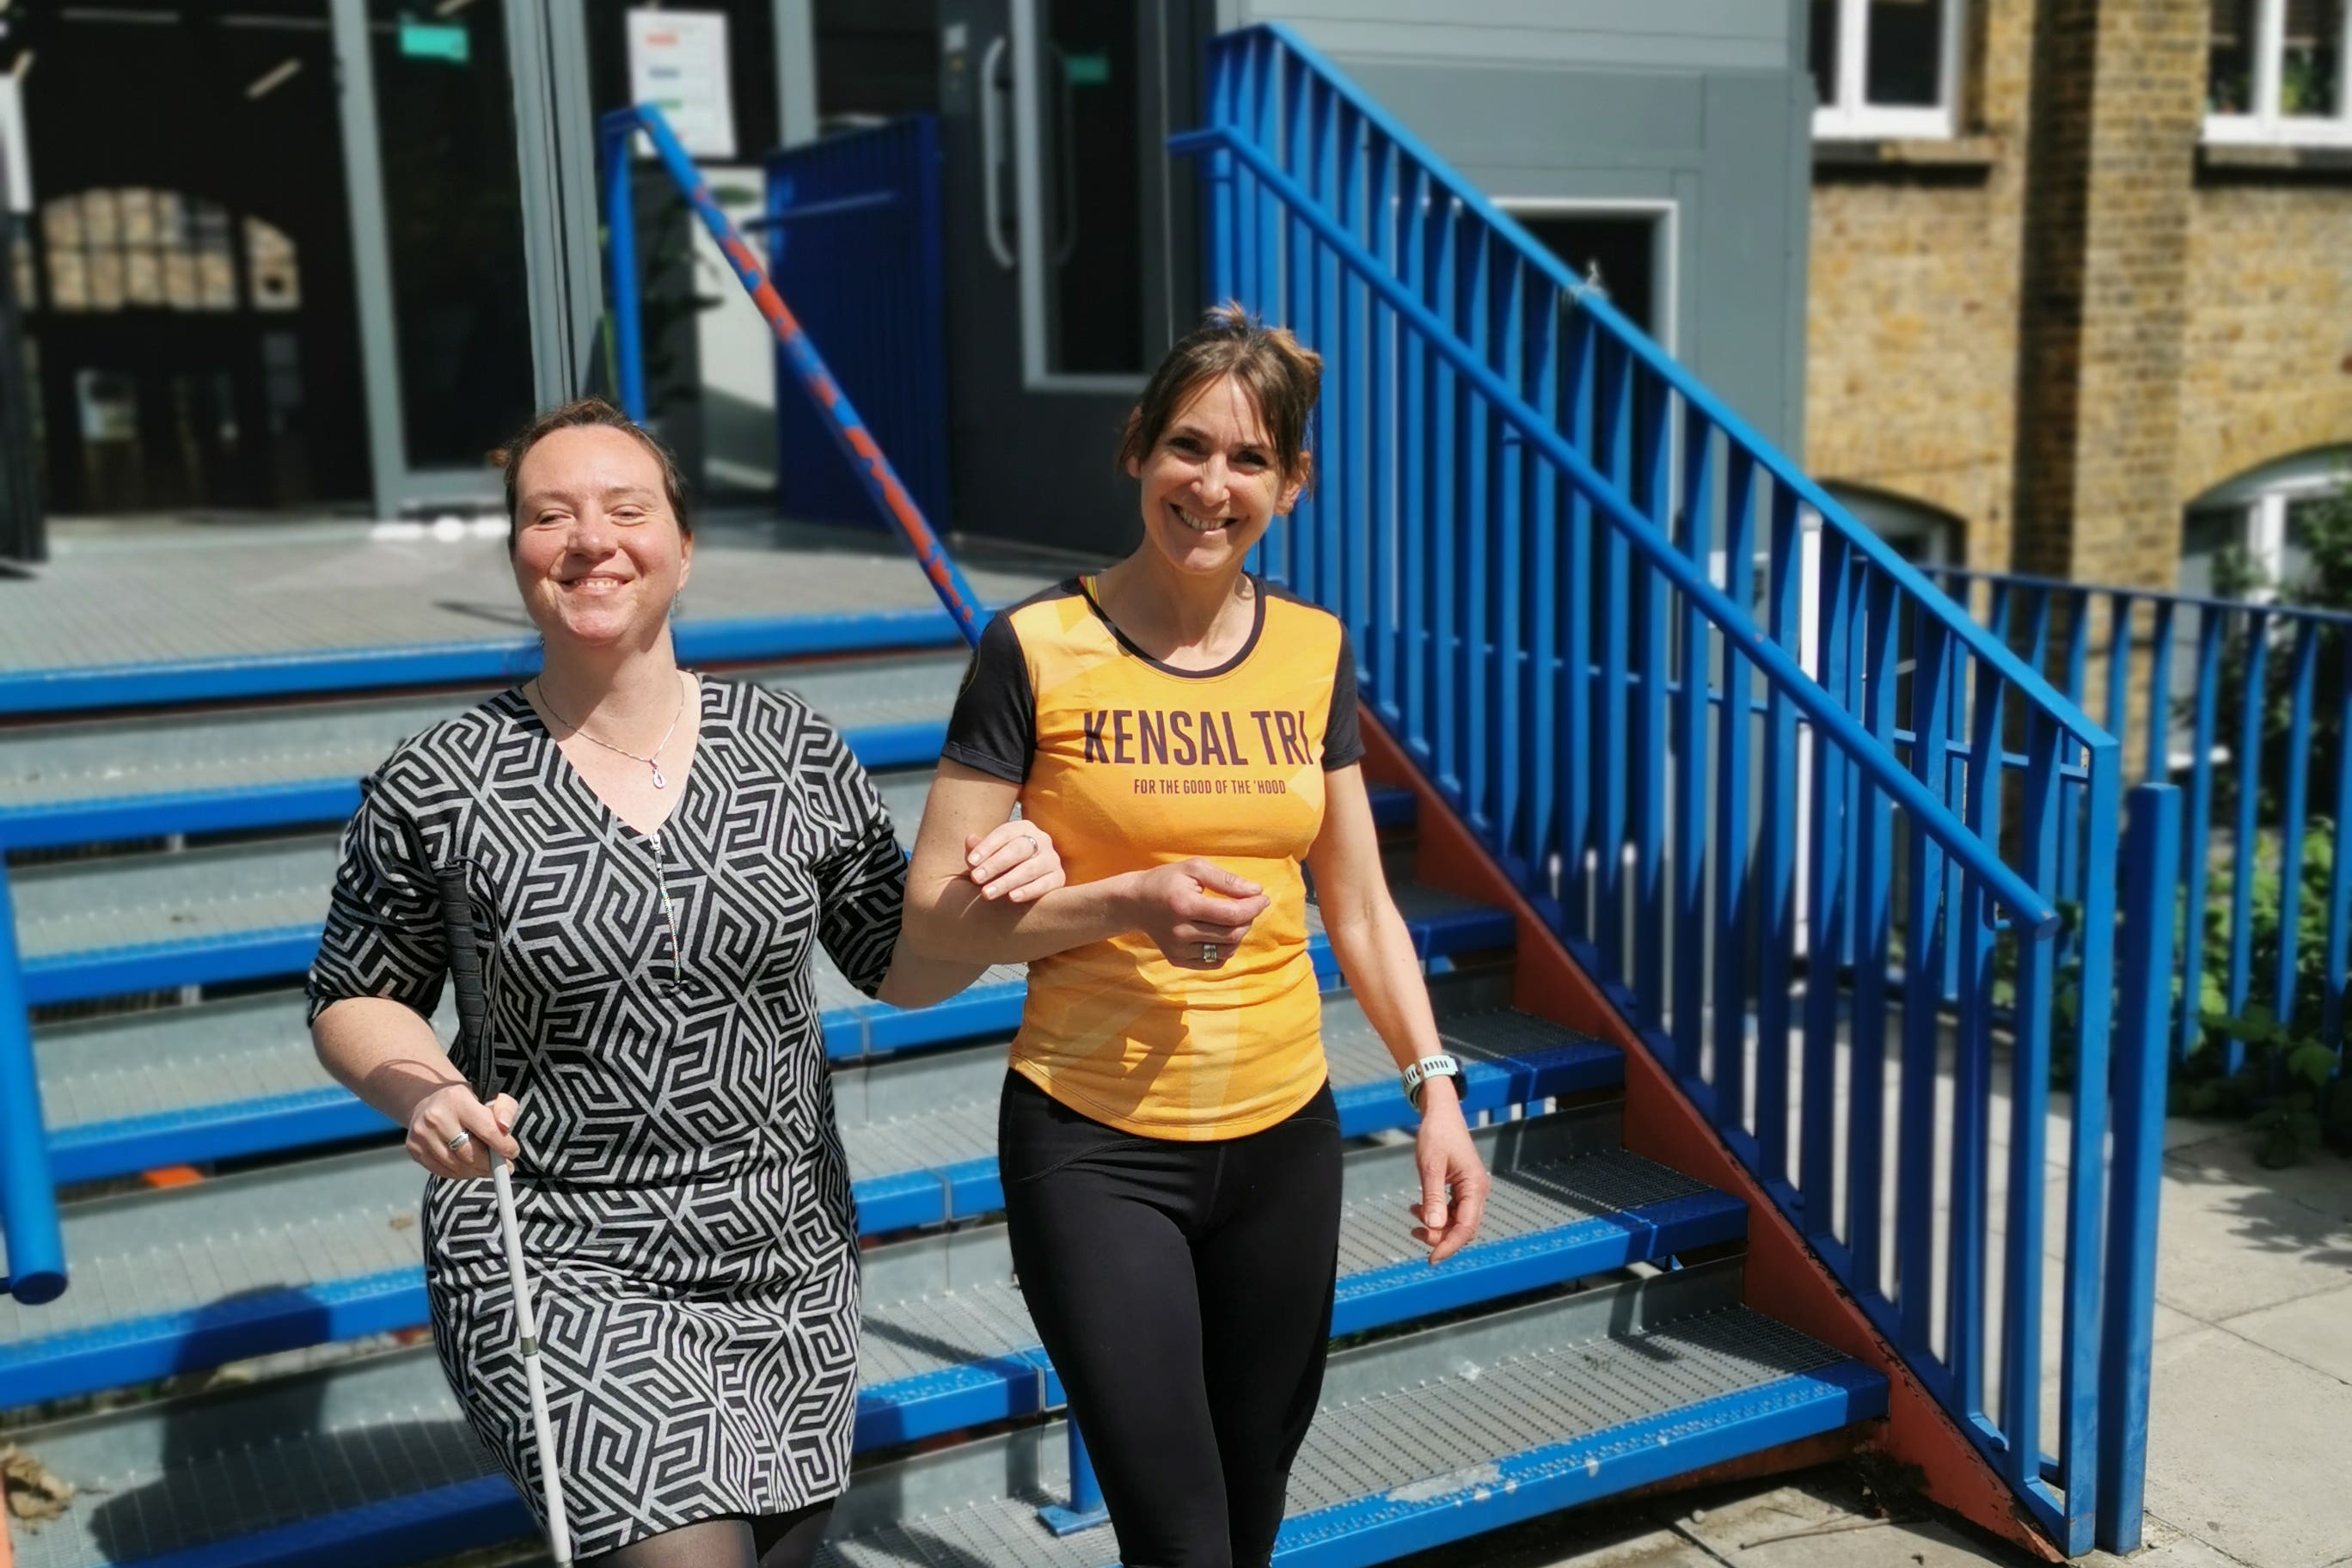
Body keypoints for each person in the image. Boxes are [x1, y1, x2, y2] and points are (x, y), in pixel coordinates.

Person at [306, 399, 1067, 1568]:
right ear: (517, 552)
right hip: (559, 1246)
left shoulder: (793, 746)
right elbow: (355, 992)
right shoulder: (441, 779)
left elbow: (899, 964)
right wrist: (419, 1089)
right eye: (548, 515)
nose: (588, 540)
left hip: (786, 1250)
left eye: (626, 509)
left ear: (684, 544)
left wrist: (989, 905)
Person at [901, 303, 1494, 1568]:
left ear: (1293, 483)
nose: (1211, 486)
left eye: (1249, 460)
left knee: (1252, 1512)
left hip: (1285, 1138)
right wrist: (1122, 901)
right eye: (1187, 447)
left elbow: (1359, 903)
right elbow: (934, 925)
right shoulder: (1034, 650)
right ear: (1134, 450)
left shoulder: (1313, 651)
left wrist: (1434, 1088)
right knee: (1180, 1539)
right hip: (1095, 1145)